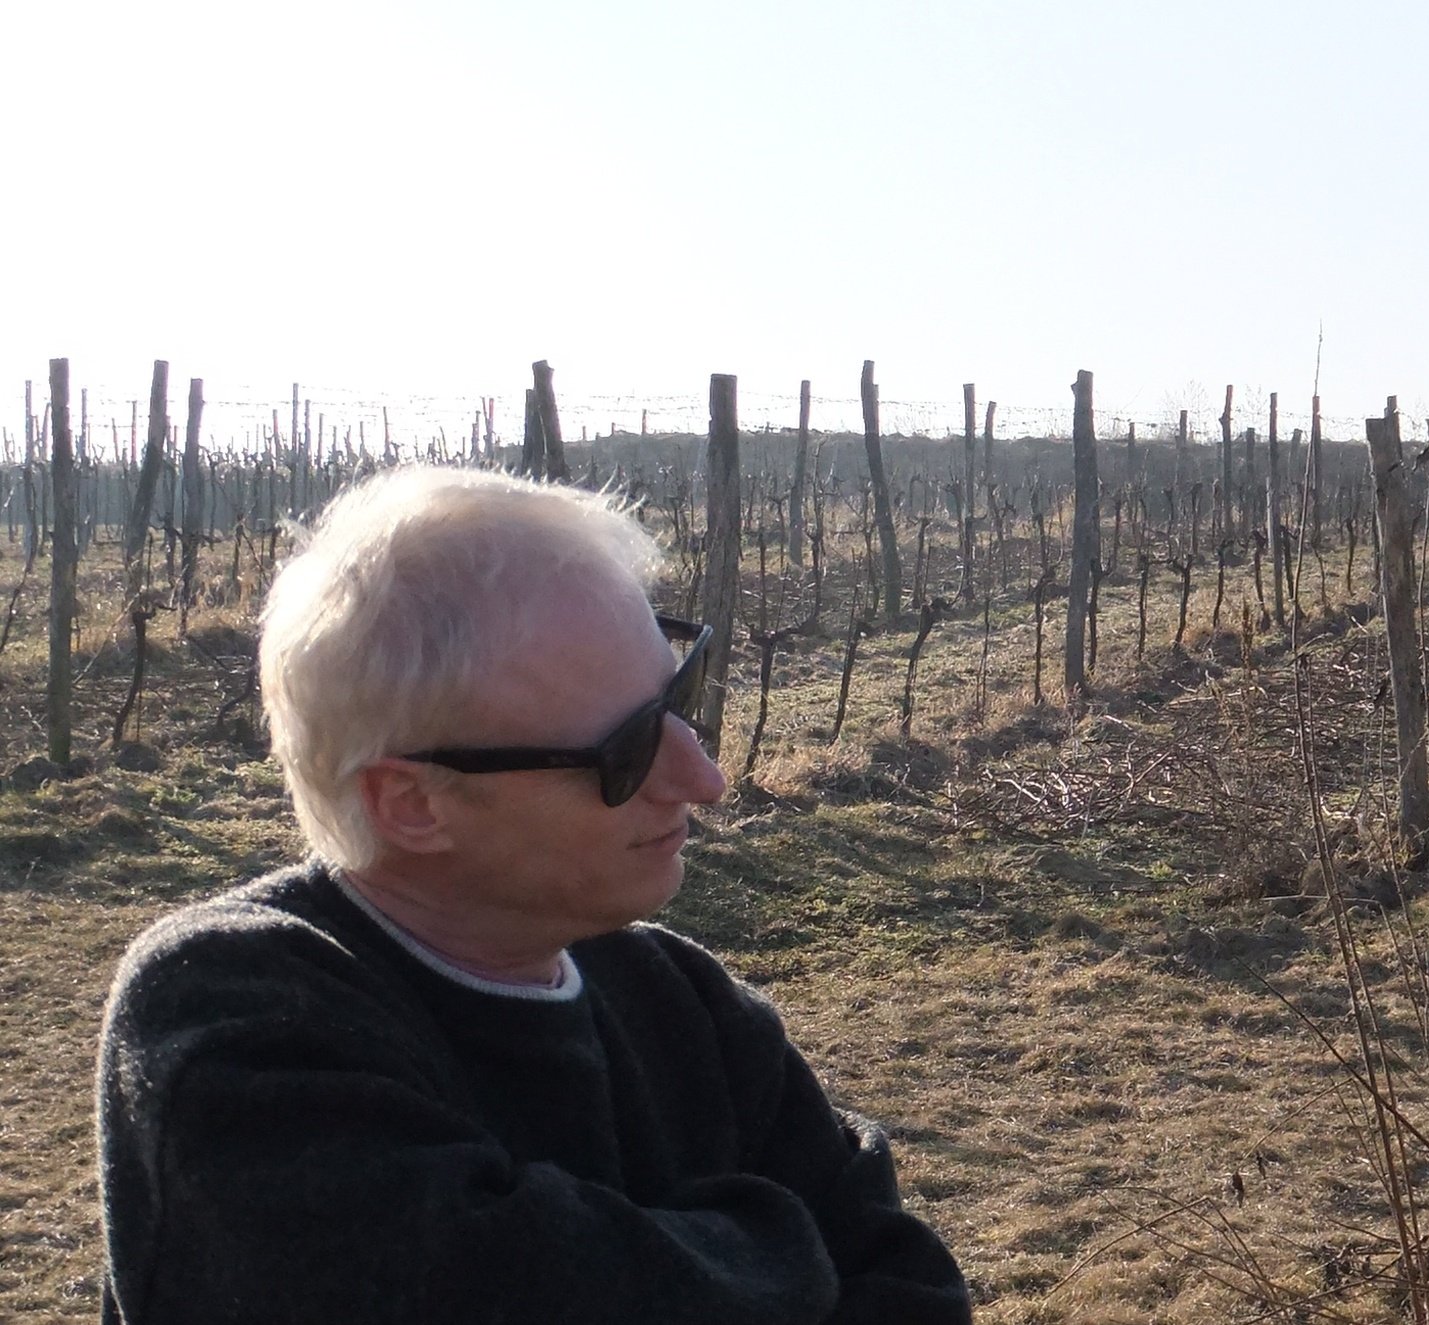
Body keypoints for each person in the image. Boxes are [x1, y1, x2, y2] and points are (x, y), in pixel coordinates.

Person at [95, 466, 970, 1324]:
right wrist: (787, 1248)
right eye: (626, 751)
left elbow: (912, 1286)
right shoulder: (229, 1016)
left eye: (684, 694)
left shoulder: (686, 1003)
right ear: (412, 803)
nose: (704, 778)